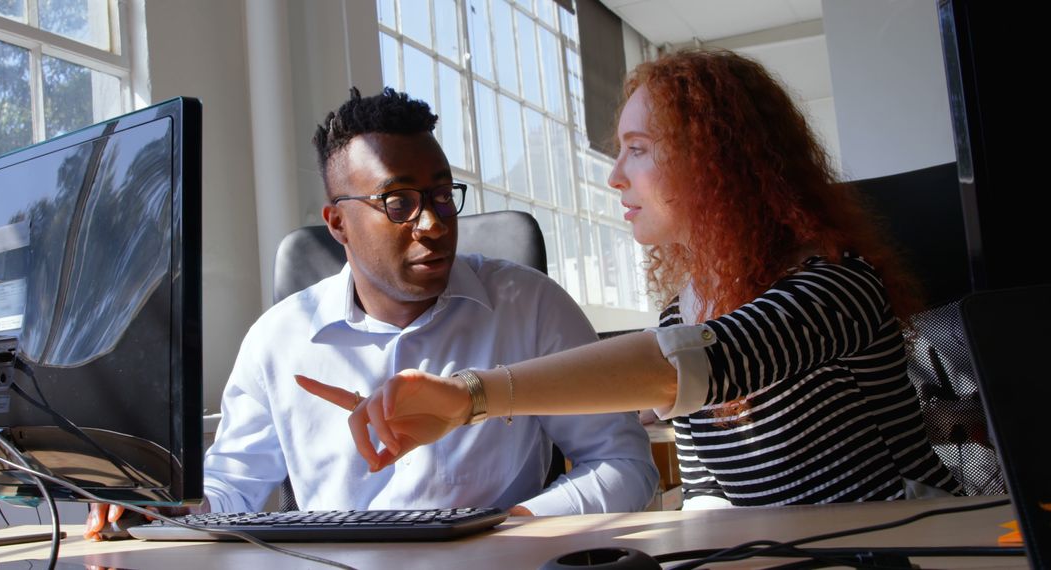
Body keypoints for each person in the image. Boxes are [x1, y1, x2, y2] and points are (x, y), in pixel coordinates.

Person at [304, 51, 963, 509]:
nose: (615, 175)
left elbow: (692, 367)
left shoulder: (835, 287)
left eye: (639, 149)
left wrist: (470, 396)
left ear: (718, 162)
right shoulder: (684, 311)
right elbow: (710, 493)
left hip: (912, 548)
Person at [84, 87, 657, 539]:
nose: (433, 223)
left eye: (440, 194)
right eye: (399, 202)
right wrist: (159, 503)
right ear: (338, 224)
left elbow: (625, 464)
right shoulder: (277, 342)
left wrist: (509, 530)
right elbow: (233, 490)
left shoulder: (529, 306)